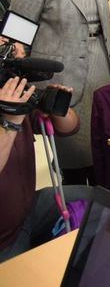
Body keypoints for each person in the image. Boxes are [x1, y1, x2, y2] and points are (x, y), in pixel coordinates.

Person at [11, 0, 110, 185]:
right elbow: (17, 32)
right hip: (63, 77)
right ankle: (76, 212)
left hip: (102, 70)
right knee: (73, 158)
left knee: (105, 151)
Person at [0, 47, 89, 262]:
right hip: (4, 239)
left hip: (28, 209)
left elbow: (70, 128)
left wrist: (58, 107)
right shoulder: (10, 108)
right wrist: (10, 121)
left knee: (98, 201)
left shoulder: (9, 93)